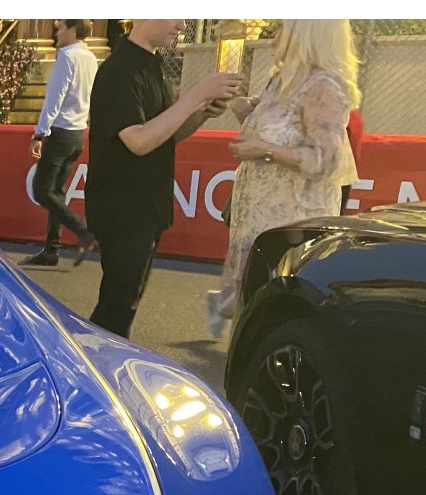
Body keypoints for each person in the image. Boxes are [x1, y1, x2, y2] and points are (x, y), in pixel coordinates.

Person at [85, 20, 243, 339]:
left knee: (123, 305)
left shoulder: (150, 65)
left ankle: (98, 364)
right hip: (123, 208)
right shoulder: (118, 71)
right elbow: (139, 141)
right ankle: (93, 370)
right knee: (116, 310)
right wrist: (196, 95)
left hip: (146, 207)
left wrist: (201, 113)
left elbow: (163, 136)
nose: (182, 25)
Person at [206, 19, 359, 339]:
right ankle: (230, 315)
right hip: (257, 220)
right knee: (251, 308)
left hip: (290, 227)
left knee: (272, 318)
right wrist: (246, 110)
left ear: (306, 34)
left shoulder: (324, 88)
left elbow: (323, 161)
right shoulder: (282, 79)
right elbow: (282, 129)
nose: (272, 37)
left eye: (280, 28)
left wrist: (264, 149)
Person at [21, 20, 99, 268]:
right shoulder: (90, 58)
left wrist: (40, 133)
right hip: (77, 131)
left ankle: (82, 231)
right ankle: (51, 248)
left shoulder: (67, 57)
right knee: (55, 191)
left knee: (42, 189)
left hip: (61, 130)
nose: (56, 31)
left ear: (73, 29)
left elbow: (54, 98)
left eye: (61, 27)